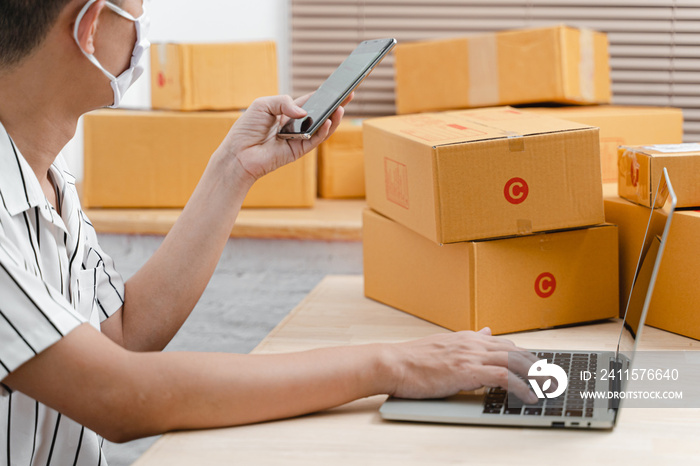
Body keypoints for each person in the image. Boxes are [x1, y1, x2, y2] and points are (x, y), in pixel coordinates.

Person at [0, 0, 539, 464]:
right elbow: (118, 393)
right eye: (137, 10)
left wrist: (233, 169)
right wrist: (396, 364)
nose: (144, 29)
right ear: (90, 26)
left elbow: (121, 336)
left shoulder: (46, 177)